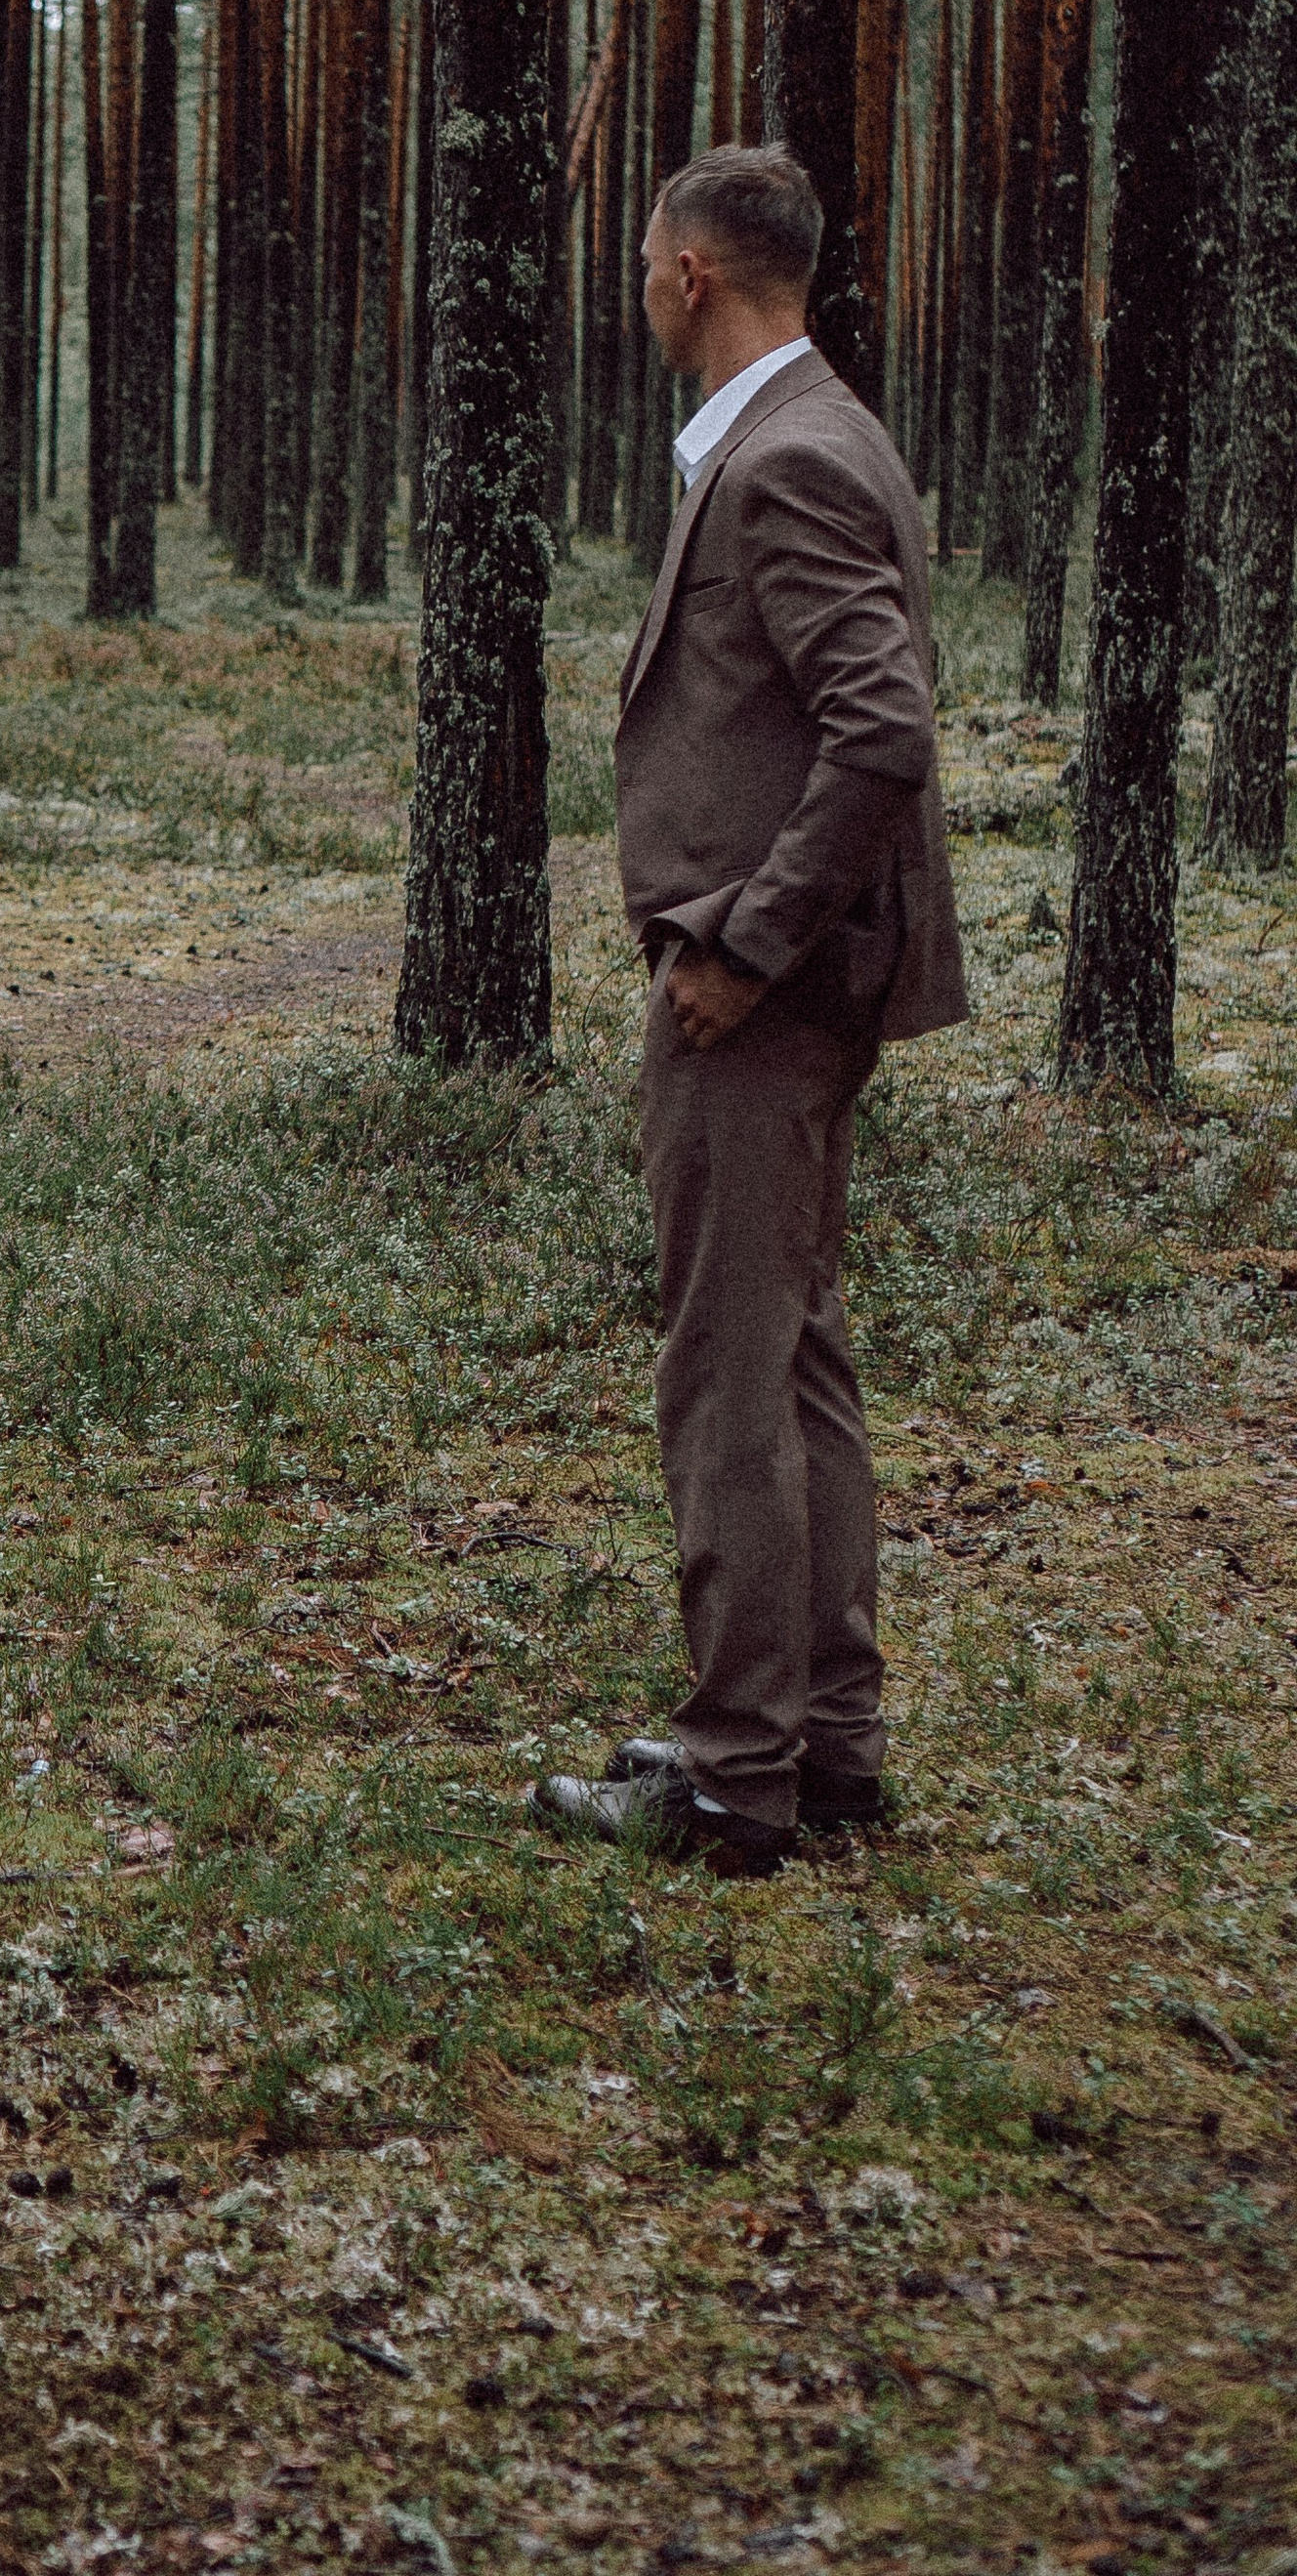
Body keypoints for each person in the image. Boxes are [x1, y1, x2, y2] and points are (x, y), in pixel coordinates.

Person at [534, 147, 966, 1879]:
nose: (639, 283)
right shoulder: (816, 431)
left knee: (727, 1369)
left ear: (692, 276)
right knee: (794, 1353)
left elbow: (883, 731)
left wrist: (746, 944)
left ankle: (733, 1775)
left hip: (758, 995)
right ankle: (824, 1738)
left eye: (646, 258)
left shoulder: (783, 460)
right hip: (796, 981)